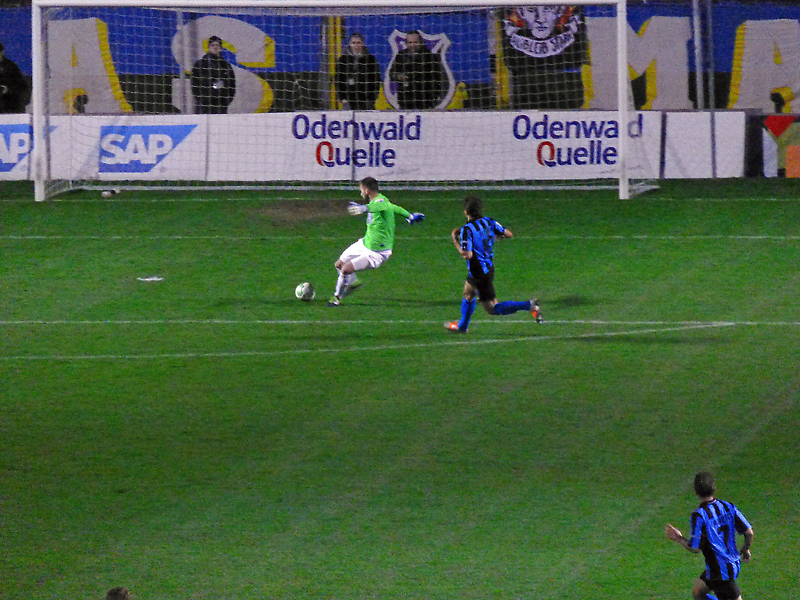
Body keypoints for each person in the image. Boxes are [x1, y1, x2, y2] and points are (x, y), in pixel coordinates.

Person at [445, 195, 542, 333]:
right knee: (468, 294)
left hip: (480, 273)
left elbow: (467, 254)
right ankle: (462, 326)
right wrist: (494, 236)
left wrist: (455, 241)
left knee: (492, 308)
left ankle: (528, 305)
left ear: (466, 212)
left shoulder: (467, 230)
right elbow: (508, 234)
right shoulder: (489, 222)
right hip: (487, 267)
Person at [327, 177, 424, 307]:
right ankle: (353, 282)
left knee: (345, 269)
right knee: (339, 264)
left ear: (366, 190)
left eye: (361, 190)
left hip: (377, 252)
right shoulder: (383, 202)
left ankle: (336, 298)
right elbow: (395, 208)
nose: (360, 193)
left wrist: (365, 208)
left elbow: (380, 205)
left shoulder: (380, 201)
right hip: (365, 243)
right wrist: (409, 216)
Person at [665, 471, 754, 600]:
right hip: (729, 564)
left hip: (720, 573)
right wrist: (745, 549)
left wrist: (679, 538)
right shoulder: (728, 507)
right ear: (714, 488)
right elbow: (749, 532)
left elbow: (695, 548)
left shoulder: (699, 516)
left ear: (695, 491)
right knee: (698, 592)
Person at [499, 6, 588, 110]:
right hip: (525, 79)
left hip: (566, 78)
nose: (540, 19)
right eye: (531, 10)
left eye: (547, 9)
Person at [388, 31, 446, 110]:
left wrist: (433, 98)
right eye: (410, 42)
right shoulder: (401, 56)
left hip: (425, 102)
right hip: (405, 101)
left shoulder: (430, 57)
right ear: (406, 43)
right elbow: (392, 73)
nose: (413, 45)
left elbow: (437, 80)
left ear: (421, 42)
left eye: (415, 42)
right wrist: (399, 76)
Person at [334, 33, 381, 110]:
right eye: (353, 43)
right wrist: (341, 97)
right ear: (349, 44)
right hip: (348, 99)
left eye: (358, 43)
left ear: (363, 44)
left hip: (366, 99)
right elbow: (338, 80)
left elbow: (376, 79)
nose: (356, 45)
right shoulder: (342, 60)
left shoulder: (370, 59)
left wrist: (373, 97)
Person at [190, 35, 236, 114]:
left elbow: (232, 85)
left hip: (221, 104)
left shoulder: (225, 65)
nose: (215, 47)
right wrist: (201, 99)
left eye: (217, 45)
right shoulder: (200, 64)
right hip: (204, 104)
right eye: (213, 45)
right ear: (208, 47)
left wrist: (225, 101)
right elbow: (194, 83)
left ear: (221, 48)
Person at [0, 41, 28, 114]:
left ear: (2, 53)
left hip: (8, 103)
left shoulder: (11, 67)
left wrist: (7, 90)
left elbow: (21, 86)